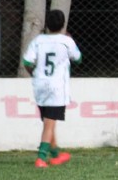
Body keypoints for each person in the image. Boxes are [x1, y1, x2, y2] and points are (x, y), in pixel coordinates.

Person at [21, 9, 82, 168]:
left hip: (40, 84)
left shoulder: (38, 40)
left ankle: (56, 154)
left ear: (47, 24)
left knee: (49, 120)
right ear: (63, 24)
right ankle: (41, 158)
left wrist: (34, 74)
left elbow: (27, 62)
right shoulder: (66, 41)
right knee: (49, 122)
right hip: (57, 87)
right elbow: (78, 58)